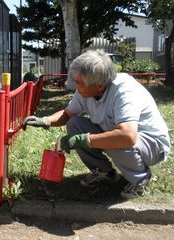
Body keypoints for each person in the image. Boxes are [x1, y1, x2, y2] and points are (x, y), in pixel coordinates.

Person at [23, 50, 170, 199]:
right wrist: (46, 120)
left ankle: (140, 181)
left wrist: (84, 140)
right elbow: (67, 114)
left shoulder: (124, 92)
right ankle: (105, 172)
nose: (74, 85)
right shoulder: (86, 89)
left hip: (153, 145)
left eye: (78, 83)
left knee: (115, 139)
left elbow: (127, 136)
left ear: (99, 86)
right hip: (121, 134)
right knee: (75, 124)